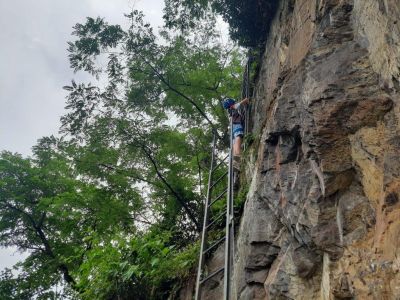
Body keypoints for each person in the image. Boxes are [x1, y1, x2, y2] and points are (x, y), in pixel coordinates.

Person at [223, 97, 250, 170]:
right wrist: (245, 100)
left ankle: (236, 160)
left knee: (235, 141)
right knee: (239, 136)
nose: (234, 104)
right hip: (237, 124)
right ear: (231, 105)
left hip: (232, 128)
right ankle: (238, 154)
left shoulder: (229, 112)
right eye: (233, 103)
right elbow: (238, 104)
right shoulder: (232, 108)